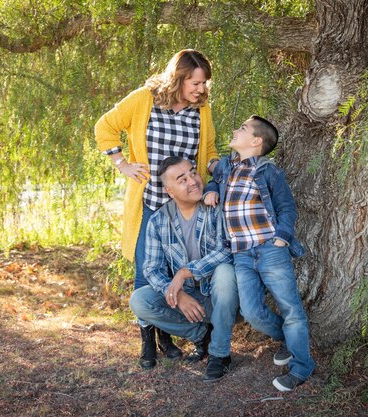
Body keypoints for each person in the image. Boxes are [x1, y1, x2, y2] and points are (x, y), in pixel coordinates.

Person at [95, 50, 220, 368]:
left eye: (204, 83)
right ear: (178, 78)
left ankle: (168, 334)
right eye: (195, 82)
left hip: (186, 210)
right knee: (145, 275)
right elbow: (105, 127)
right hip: (150, 204)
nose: (201, 89)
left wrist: (221, 171)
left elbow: (207, 150)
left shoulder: (201, 109)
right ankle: (148, 343)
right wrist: (122, 164)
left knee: (178, 273)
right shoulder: (144, 100)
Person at [204, 115, 315, 391]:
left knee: (291, 309)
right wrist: (210, 189)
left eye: (241, 128)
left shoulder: (268, 172)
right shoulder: (228, 166)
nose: (234, 129)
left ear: (256, 141)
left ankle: (302, 366)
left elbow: (287, 207)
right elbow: (214, 176)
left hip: (269, 249)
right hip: (242, 254)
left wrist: (282, 238)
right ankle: (286, 338)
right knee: (251, 311)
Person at [129, 156, 238, 382]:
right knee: (140, 300)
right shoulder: (158, 220)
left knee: (225, 272)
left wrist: (184, 272)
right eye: (182, 179)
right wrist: (178, 294)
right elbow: (151, 268)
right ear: (170, 191)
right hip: (188, 299)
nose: (193, 181)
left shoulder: (215, 207)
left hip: (221, 297)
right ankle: (202, 335)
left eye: (193, 173)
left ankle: (220, 352)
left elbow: (227, 251)